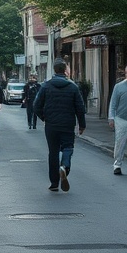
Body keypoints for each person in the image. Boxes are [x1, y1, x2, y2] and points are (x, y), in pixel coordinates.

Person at [33, 59, 86, 192]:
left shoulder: (46, 86)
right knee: (68, 147)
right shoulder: (73, 87)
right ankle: (65, 166)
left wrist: (44, 117)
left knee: (53, 152)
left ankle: (54, 182)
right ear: (65, 71)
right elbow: (80, 108)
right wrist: (82, 124)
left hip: (51, 125)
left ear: (55, 70)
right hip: (67, 124)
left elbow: (36, 105)